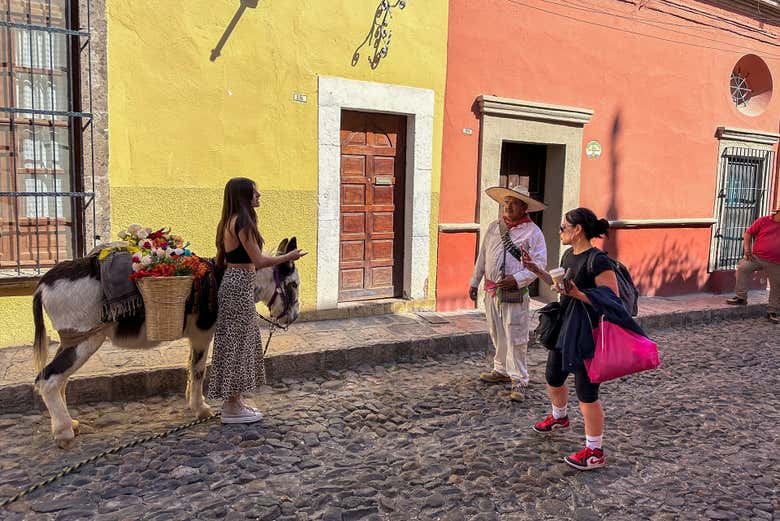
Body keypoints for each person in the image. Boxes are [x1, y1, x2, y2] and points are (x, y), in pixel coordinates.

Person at [522, 208, 617, 470]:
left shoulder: (598, 261)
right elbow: (561, 287)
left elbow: (612, 298)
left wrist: (579, 294)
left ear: (578, 230)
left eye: (564, 227)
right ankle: (559, 417)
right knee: (553, 376)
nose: (560, 231)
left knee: (586, 392)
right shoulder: (568, 255)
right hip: (566, 325)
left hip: (588, 332)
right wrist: (536, 270)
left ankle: (595, 450)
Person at [208, 177, 305, 423]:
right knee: (239, 345)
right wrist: (288, 257)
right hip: (240, 286)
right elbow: (259, 261)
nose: (259, 195)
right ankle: (231, 406)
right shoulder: (244, 223)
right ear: (244, 196)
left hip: (234, 282)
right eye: (254, 192)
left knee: (236, 343)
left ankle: (236, 400)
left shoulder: (228, 221)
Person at [469, 185, 547, 402]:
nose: (509, 206)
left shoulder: (534, 233)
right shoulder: (495, 227)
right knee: (497, 332)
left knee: (515, 335)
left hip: (515, 293)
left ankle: (519, 379)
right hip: (492, 291)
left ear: (524, 207)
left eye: (514, 203)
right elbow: (483, 257)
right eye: (506, 202)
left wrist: (517, 279)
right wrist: (475, 281)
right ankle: (501, 370)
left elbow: (539, 264)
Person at [725, 206, 780, 324]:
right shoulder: (763, 221)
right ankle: (741, 297)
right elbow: (748, 233)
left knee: (777, 285)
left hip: (776, 262)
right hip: (757, 257)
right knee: (742, 267)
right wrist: (747, 249)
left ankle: (772, 311)